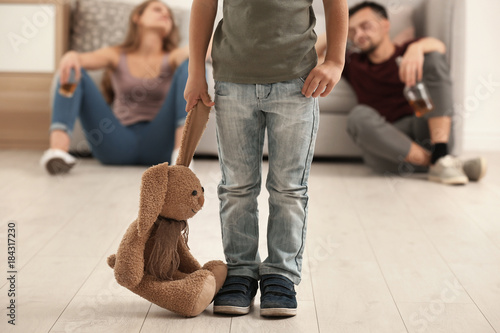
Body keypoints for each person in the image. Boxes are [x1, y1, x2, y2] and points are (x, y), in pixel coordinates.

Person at [185, 0, 348, 317]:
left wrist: (336, 61)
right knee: (236, 186)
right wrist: (195, 72)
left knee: (289, 188)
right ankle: (240, 271)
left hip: (298, 83)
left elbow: (336, 3)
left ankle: (281, 274)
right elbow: (203, 4)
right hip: (232, 82)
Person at [317, 1, 487, 185]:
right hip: (389, 147)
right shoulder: (353, 62)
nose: (359, 35)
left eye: (366, 27)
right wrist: (339, 28)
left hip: (424, 127)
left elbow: (438, 47)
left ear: (385, 25)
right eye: (353, 31)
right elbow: (314, 56)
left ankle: (440, 153)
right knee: (358, 116)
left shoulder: (408, 50)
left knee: (433, 59)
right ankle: (442, 161)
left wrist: (418, 48)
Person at [40, 0, 190, 175]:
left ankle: (183, 158)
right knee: (71, 70)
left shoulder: (173, 57)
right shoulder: (117, 54)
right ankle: (58, 151)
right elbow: (82, 59)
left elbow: (202, 51)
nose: (165, 14)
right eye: (157, 9)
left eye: (169, 15)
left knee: (190, 64)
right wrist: (72, 55)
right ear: (137, 18)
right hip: (115, 143)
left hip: (159, 145)